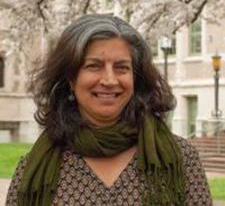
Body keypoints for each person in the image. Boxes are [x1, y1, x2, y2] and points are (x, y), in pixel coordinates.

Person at [6, 14, 212, 206]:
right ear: (70, 78)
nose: (109, 80)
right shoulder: (32, 170)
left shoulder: (181, 160)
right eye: (94, 66)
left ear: (136, 78)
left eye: (121, 67)